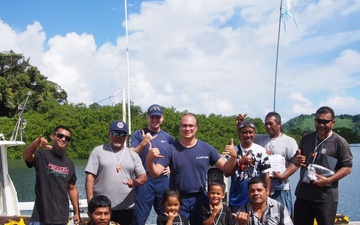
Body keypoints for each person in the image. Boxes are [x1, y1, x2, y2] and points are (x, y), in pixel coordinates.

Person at [146, 113, 238, 225]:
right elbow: (155, 173)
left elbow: (226, 169)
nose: (187, 128)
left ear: (196, 127)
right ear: (180, 127)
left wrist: (233, 156)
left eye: (191, 125)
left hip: (200, 198)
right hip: (178, 200)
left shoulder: (206, 148)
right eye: (184, 126)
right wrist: (149, 160)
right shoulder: (171, 149)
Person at [292, 106, 353, 225]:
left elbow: (347, 168)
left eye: (325, 122)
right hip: (303, 195)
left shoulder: (339, 142)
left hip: (326, 198)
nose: (321, 125)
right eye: (318, 121)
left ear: (333, 122)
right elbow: (295, 160)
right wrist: (297, 160)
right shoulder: (307, 138)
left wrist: (328, 180)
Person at [85, 120, 147, 225]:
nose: (118, 136)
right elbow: (90, 178)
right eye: (115, 133)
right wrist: (91, 203)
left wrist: (135, 181)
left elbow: (143, 177)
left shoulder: (133, 155)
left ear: (126, 137)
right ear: (109, 133)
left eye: (122, 134)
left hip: (126, 209)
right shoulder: (98, 151)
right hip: (102, 209)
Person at [237, 112, 298, 216]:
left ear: (279, 124)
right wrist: (240, 124)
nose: (268, 126)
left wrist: (283, 176)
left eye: (271, 123)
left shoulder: (289, 141)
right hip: (261, 189)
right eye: (266, 124)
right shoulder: (260, 138)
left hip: (280, 188)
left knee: (281, 217)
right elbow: (244, 136)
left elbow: (296, 163)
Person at [22, 125, 80, 225]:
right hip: (40, 218)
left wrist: (77, 212)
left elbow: (72, 188)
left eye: (67, 138)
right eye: (60, 136)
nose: (63, 139)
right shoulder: (41, 155)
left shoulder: (69, 163)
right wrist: (35, 144)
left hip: (61, 218)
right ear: (52, 136)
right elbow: (26, 156)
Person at [130, 104, 175, 224]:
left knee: (166, 216)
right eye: (152, 117)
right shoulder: (139, 134)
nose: (155, 120)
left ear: (162, 118)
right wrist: (143, 143)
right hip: (145, 180)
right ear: (147, 118)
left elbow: (174, 157)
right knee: (139, 218)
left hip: (163, 181)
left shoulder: (168, 138)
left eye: (158, 117)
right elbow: (131, 154)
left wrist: (171, 167)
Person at [225, 120, 271, 214]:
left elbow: (266, 175)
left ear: (254, 133)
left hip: (256, 198)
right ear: (240, 134)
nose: (248, 135)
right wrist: (239, 162)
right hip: (237, 199)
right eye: (244, 132)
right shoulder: (233, 151)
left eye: (251, 132)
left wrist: (267, 193)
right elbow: (227, 173)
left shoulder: (260, 151)